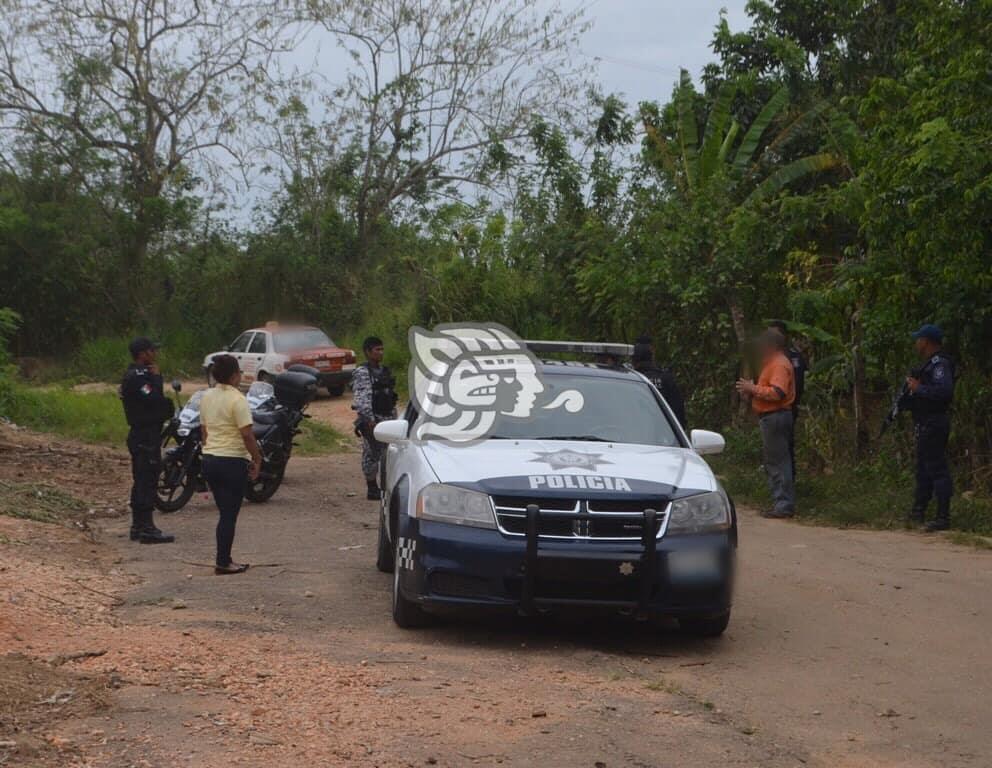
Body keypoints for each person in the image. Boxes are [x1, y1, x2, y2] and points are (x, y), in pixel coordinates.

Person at [199, 354, 263, 574]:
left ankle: (223, 559)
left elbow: (204, 430)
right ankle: (223, 561)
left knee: (223, 511)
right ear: (236, 375)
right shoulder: (238, 399)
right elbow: (246, 434)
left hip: (210, 459)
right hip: (232, 460)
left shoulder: (206, 396)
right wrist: (256, 458)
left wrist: (209, 449)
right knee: (229, 514)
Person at [898, 324, 955, 532]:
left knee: (937, 469)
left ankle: (943, 516)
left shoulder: (940, 364)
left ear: (926, 341)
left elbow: (944, 392)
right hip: (924, 423)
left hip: (935, 422)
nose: (916, 343)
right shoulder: (927, 365)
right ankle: (919, 510)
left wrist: (918, 388)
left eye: (918, 339)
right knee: (923, 469)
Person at [120, 337, 175, 544]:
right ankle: (146, 528)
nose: (155, 354)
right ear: (143, 354)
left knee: (142, 479)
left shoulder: (134, 374)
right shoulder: (138, 377)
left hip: (143, 434)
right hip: (144, 434)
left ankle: (138, 525)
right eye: (152, 351)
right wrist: (157, 379)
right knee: (147, 480)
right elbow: (154, 399)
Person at [736, 331, 796, 519]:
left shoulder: (778, 364)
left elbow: (778, 392)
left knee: (777, 462)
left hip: (775, 416)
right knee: (775, 460)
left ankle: (783, 504)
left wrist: (752, 388)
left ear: (771, 345)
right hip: (772, 417)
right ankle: (781, 502)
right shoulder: (771, 363)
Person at [352, 336, 398, 500]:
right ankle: (372, 487)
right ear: (367, 352)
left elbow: (390, 396)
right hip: (373, 419)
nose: (381, 352)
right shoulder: (363, 372)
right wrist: (369, 420)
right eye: (377, 350)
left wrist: (394, 417)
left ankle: (387, 486)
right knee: (371, 453)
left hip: (387, 416)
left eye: (382, 349)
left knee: (389, 454)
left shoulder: (384, 370)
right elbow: (362, 398)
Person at [767, 320, 808, 477]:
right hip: (772, 410)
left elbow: (797, 384)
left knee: (784, 447)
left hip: (785, 408)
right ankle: (780, 481)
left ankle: (787, 482)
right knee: (775, 449)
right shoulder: (771, 356)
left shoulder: (791, 357)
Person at [632, 335, 687, 429]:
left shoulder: (629, 379)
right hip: (663, 435)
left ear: (633, 359)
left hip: (632, 432)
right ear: (652, 355)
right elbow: (678, 412)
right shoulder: (666, 378)